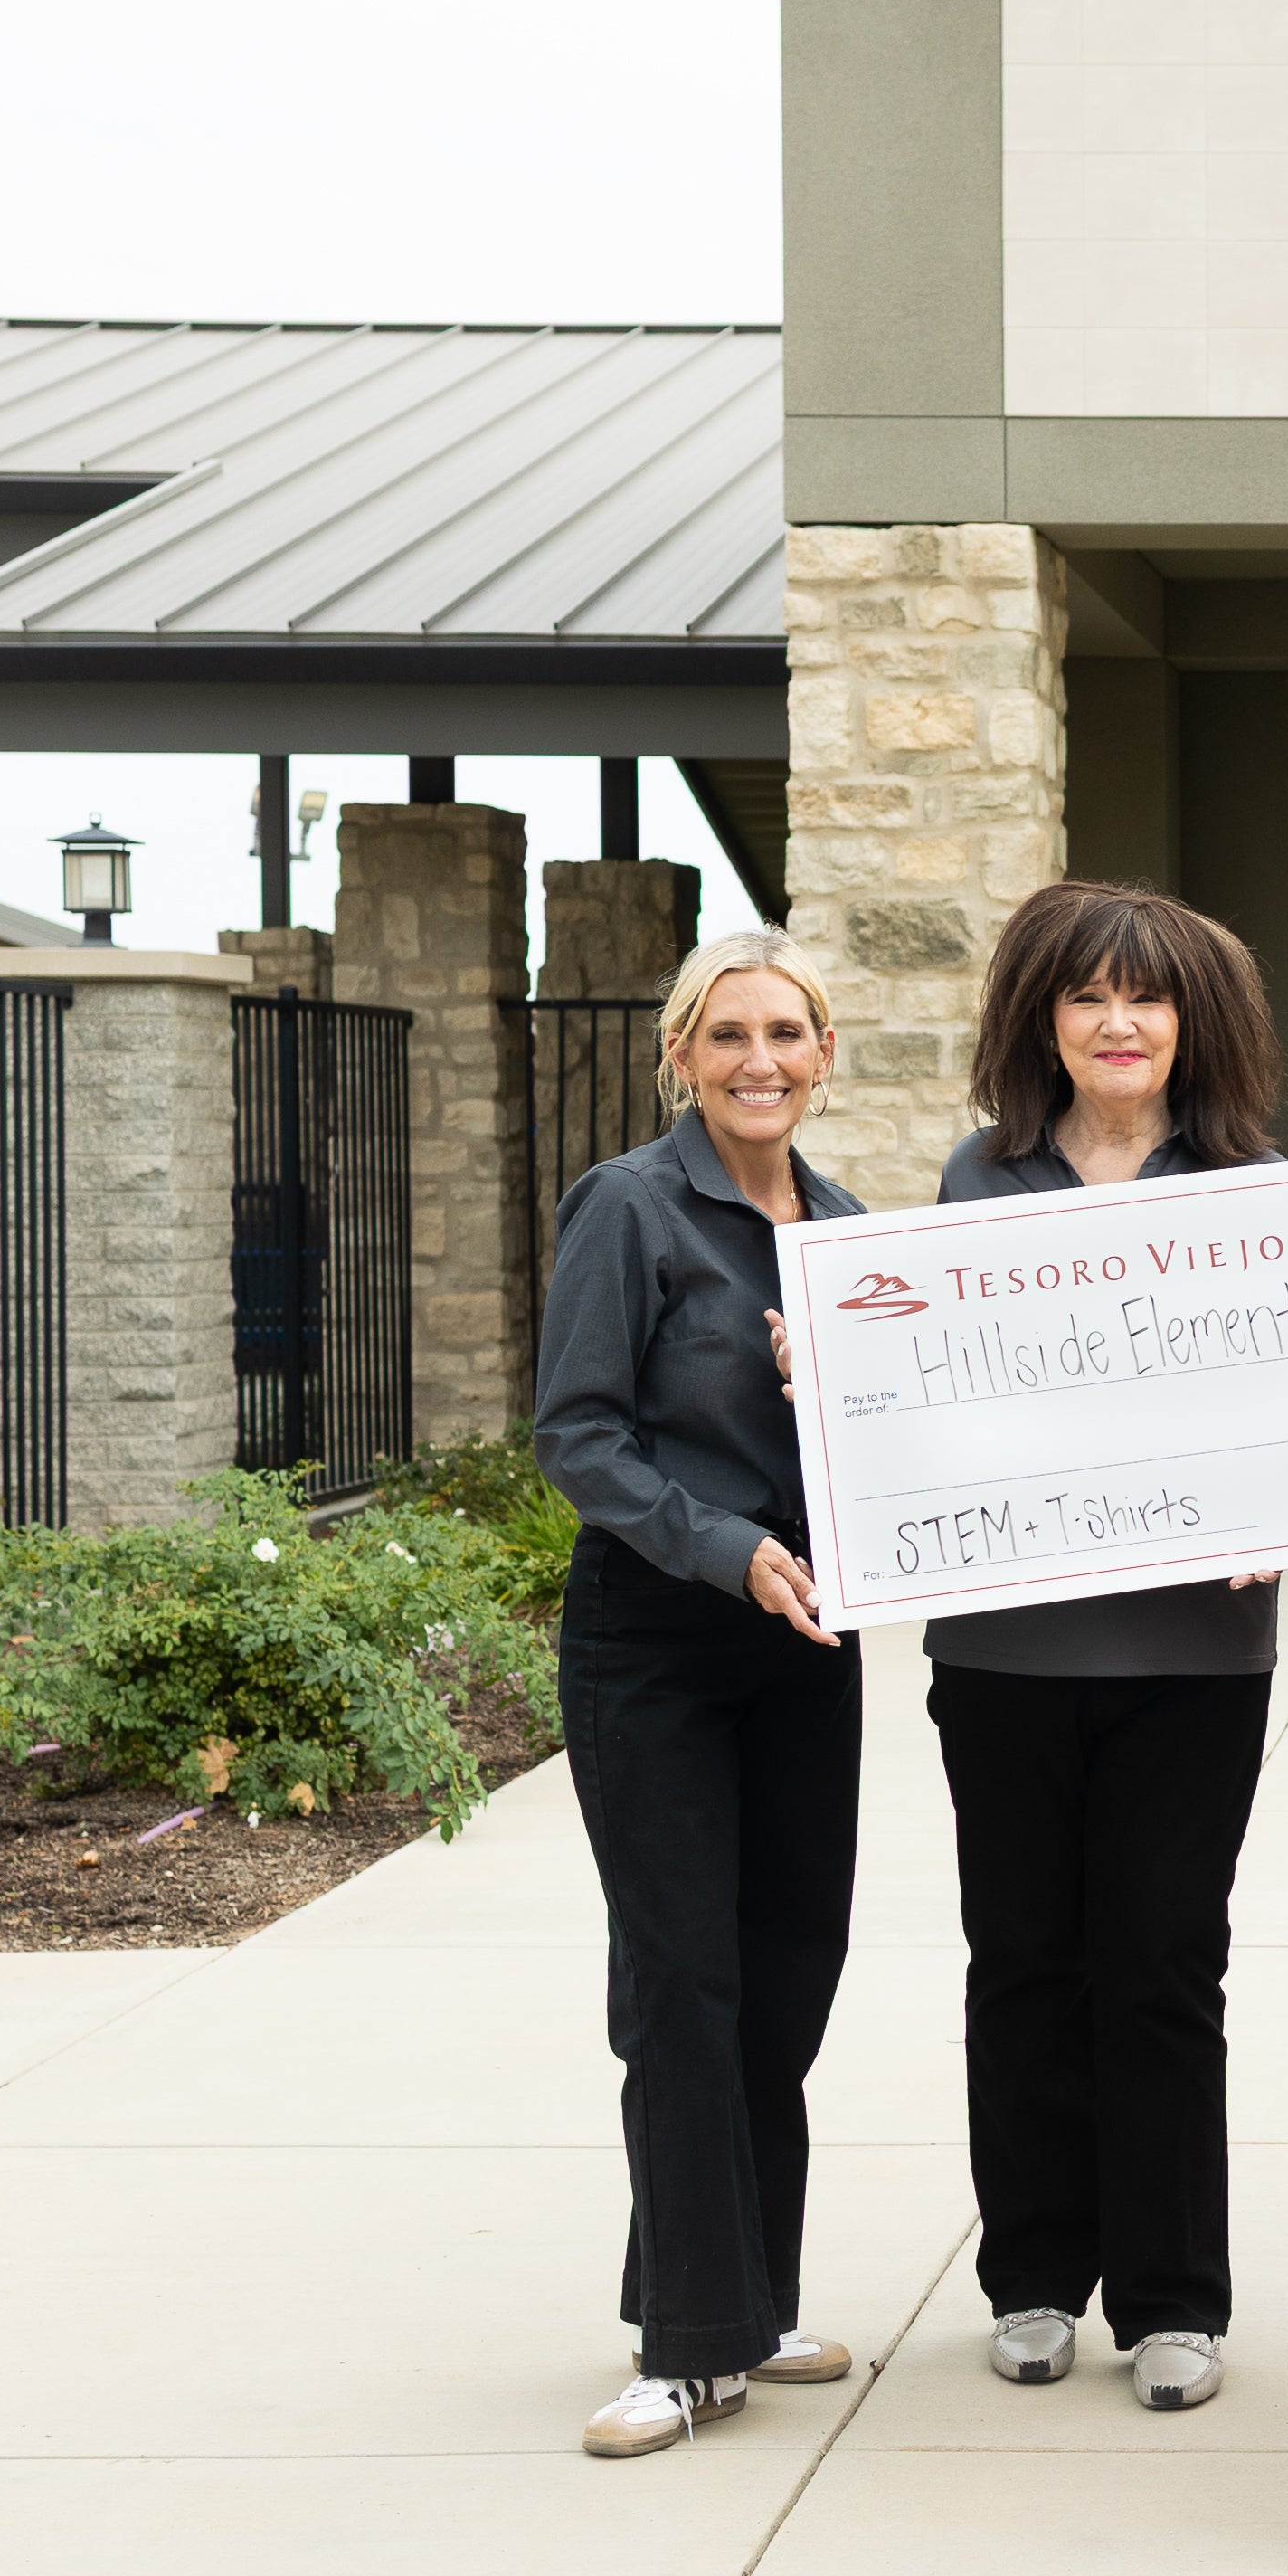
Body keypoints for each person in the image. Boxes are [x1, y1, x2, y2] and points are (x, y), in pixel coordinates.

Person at [928, 879, 1288, 2413]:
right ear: (1045, 1020)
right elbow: (938, 1392)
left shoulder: (1257, 1189)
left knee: (1158, 1964)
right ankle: (1030, 2277)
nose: (1120, 1022)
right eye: (1087, 997)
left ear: (1192, 1022)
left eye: (1147, 998)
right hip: (1006, 1648)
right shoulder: (979, 1179)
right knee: (1021, 1962)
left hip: (1195, 1656)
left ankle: (1170, 2299)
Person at [531, 928, 870, 2460]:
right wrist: (725, 1549)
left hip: (805, 1644)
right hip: (658, 1639)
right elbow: (580, 1435)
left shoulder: (847, 1237)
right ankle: (681, 2347)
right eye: (727, 1033)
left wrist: (841, 1402)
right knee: (681, 1983)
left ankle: (753, 2294)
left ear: (822, 1054)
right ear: (681, 1054)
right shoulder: (630, 1207)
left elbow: (890, 1461)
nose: (758, 1058)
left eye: (785, 1032)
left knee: (786, 1969)